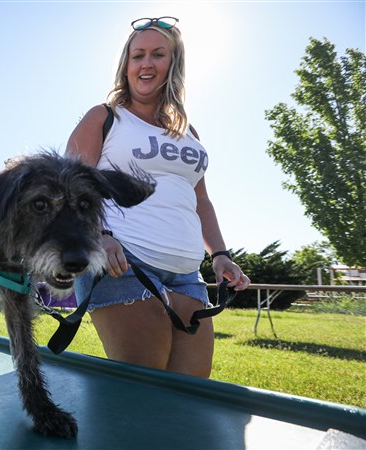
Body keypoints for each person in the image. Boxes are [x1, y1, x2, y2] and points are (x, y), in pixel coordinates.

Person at [66, 16, 250, 378]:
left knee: (190, 393)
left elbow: (201, 201)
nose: (146, 64)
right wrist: (98, 236)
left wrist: (221, 256)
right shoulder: (105, 117)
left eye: (157, 54)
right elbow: (71, 186)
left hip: (186, 273)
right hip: (122, 262)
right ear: (126, 66)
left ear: (173, 63)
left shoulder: (188, 130)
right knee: (144, 392)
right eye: (137, 56)